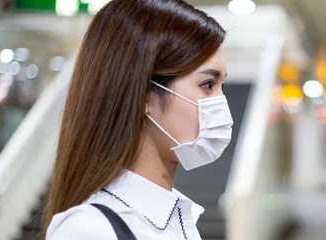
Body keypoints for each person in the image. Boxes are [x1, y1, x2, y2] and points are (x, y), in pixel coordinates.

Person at [44, 0, 232, 239]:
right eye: (207, 85)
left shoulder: (180, 219)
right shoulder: (89, 229)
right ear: (143, 94)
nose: (221, 102)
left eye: (221, 85)